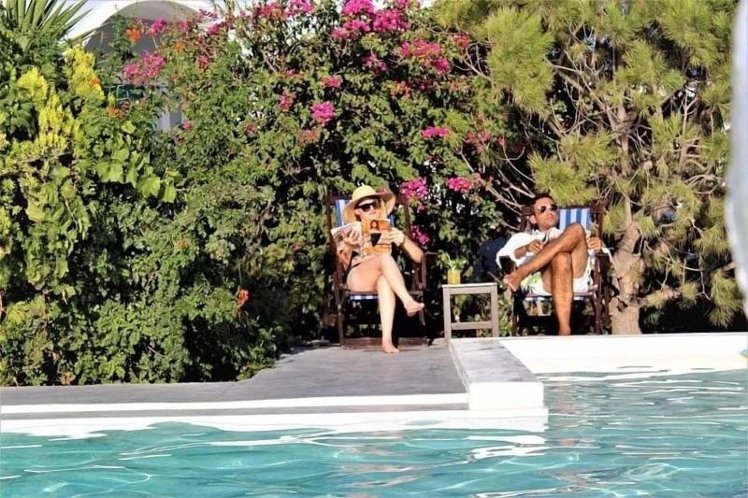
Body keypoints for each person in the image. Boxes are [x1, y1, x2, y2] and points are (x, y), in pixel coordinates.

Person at [498, 193, 603, 336]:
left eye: (553, 208)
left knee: (577, 229)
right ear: (533, 218)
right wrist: (526, 248)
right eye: (542, 209)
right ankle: (564, 330)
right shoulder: (524, 238)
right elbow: (504, 257)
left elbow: (605, 260)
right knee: (561, 257)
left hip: (577, 275)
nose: (549, 212)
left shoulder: (572, 234)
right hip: (546, 278)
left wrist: (600, 247)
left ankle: (522, 272)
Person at [337, 185, 425, 353]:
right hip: (358, 276)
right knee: (385, 258)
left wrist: (403, 240)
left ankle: (386, 340)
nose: (371, 209)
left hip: (380, 274)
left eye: (375, 204)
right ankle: (407, 301)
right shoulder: (350, 233)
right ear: (357, 212)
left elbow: (419, 258)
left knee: (384, 281)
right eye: (365, 206)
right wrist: (348, 247)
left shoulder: (389, 230)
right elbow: (342, 266)